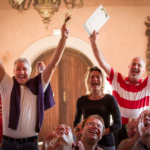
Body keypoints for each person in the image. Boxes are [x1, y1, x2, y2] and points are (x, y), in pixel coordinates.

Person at [0, 23, 69, 150]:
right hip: (8, 144)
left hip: (30, 144)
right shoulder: (6, 85)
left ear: (30, 71)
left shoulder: (38, 85)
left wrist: (63, 39)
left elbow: (53, 64)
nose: (21, 72)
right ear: (14, 72)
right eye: (18, 69)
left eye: (25, 69)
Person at [89, 30, 150, 147]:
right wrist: (93, 44)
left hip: (139, 127)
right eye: (133, 64)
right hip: (119, 128)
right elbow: (102, 63)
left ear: (143, 71)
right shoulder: (118, 78)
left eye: (139, 65)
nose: (135, 67)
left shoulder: (147, 82)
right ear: (128, 67)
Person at [74, 66, 121, 150]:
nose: (95, 79)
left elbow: (118, 124)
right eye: (92, 77)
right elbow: (76, 123)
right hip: (86, 143)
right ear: (88, 81)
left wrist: (98, 133)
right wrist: (82, 134)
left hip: (106, 143)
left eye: (98, 77)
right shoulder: (81, 100)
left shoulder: (110, 99)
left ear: (102, 81)